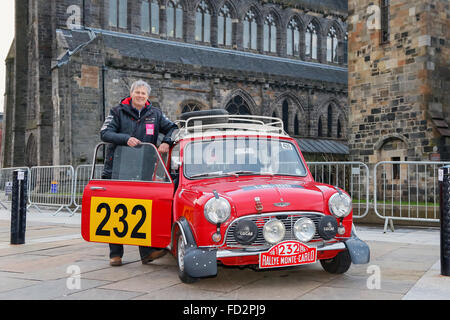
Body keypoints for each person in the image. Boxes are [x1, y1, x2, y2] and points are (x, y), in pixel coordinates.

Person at [100, 79, 178, 266]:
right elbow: (105, 133)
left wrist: (167, 141)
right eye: (138, 93)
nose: (140, 96)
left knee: (143, 209)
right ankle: (115, 254)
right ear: (131, 93)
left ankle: (146, 254)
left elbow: (174, 128)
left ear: (147, 96)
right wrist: (125, 139)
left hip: (143, 169)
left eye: (144, 93)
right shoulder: (117, 111)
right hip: (117, 168)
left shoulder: (155, 114)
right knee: (117, 210)